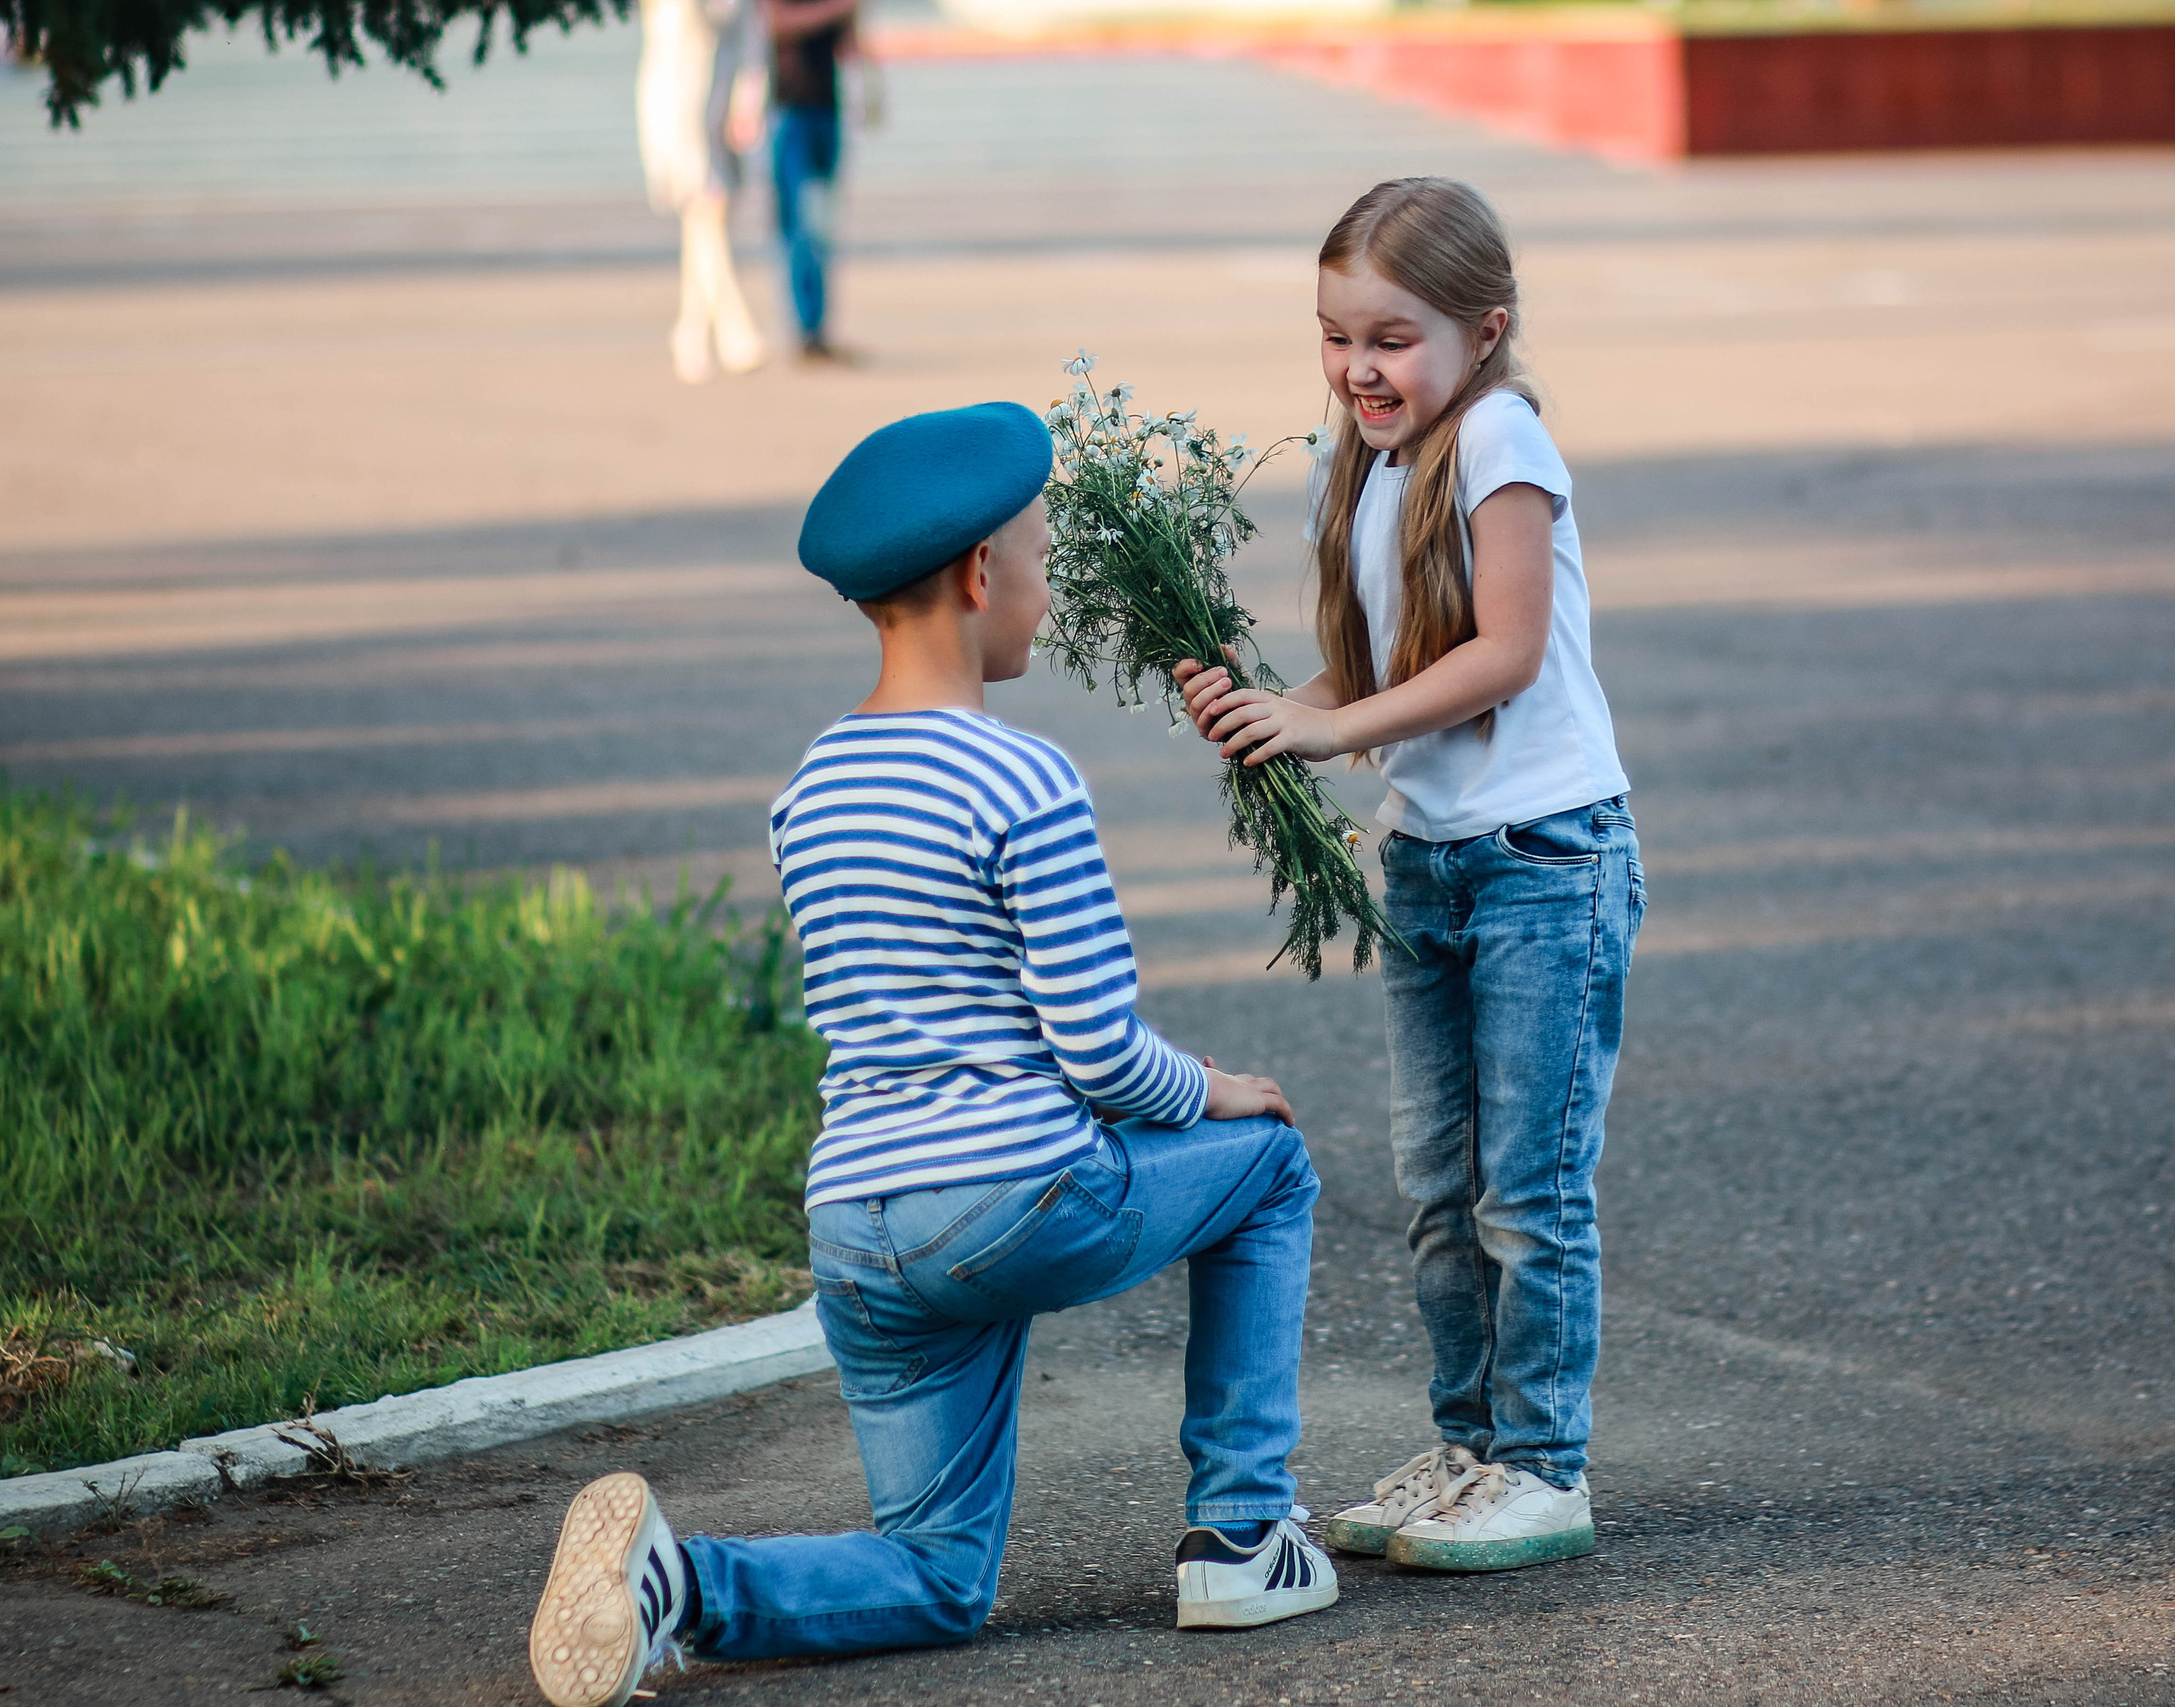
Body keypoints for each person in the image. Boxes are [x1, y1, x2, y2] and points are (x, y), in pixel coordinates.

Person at [527, 403, 1337, 1707]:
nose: (1046, 583)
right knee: (1271, 1163)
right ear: (976, 576)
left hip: (860, 1225)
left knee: (939, 1572)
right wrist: (1218, 1092)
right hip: (1013, 1197)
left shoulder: (812, 788)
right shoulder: (1021, 778)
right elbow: (1097, 1049)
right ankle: (1244, 1533)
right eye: (1037, 555)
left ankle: (677, 1584)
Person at [1177, 177, 1642, 1575]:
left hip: (1545, 860)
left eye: (1390, 338)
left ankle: (1543, 1464)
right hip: (1435, 864)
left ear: (1483, 330)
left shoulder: (1500, 435)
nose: (1358, 367)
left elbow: (1498, 654)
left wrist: (1328, 724)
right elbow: (1388, 675)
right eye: (1336, 337)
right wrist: (1276, 708)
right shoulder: (1368, 462)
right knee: (1438, 1183)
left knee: (1530, 1188)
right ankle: (1469, 1445)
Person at [637, 0, 768, 384]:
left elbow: (750, 45)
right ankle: (735, 330)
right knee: (703, 215)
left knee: (707, 223)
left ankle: (689, 334)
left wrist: (748, 104)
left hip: (719, 113)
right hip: (678, 115)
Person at [762, 0, 871, 361]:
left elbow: (850, 47)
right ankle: (806, 330)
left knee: (823, 225)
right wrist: (838, 9)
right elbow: (775, 23)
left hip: (828, 110)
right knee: (799, 228)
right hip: (790, 112)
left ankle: (820, 330)